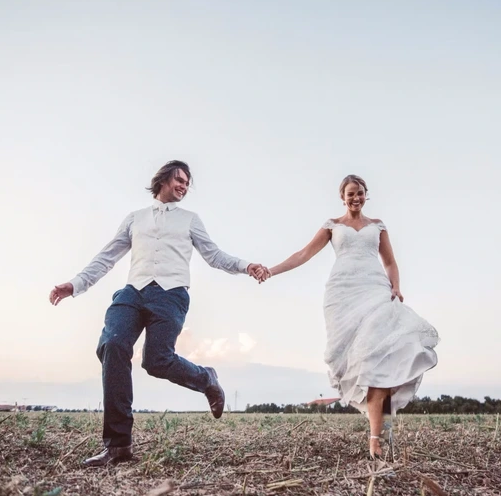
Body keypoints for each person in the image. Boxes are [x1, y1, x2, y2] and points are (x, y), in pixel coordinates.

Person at [49, 160, 267, 467]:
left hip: (171, 295)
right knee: (113, 345)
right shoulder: (135, 219)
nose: (183, 185)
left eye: (187, 183)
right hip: (132, 292)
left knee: (156, 361)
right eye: (179, 179)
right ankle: (118, 445)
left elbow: (214, 256)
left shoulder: (190, 220)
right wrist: (75, 285)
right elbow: (107, 257)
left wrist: (247, 266)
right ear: (163, 179)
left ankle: (206, 378)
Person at [262, 174, 439, 459]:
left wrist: (396, 286)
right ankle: (380, 426)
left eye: (360, 193)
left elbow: (390, 262)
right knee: (362, 362)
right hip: (342, 296)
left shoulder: (377, 226)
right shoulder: (333, 226)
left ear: (366, 195)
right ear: (342, 197)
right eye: (350, 193)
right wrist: (272, 270)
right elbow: (304, 253)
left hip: (375, 292)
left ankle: (376, 437)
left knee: (382, 357)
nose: (355, 198)